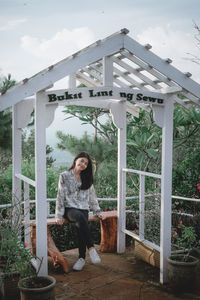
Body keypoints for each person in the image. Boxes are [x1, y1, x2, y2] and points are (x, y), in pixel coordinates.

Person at [56, 151, 102, 271]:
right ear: (76, 160)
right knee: (80, 218)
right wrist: (59, 215)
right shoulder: (64, 175)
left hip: (83, 208)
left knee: (81, 225)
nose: (83, 164)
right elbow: (60, 196)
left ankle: (81, 258)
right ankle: (91, 249)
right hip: (69, 209)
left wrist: (97, 211)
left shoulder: (86, 178)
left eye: (86, 163)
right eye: (82, 161)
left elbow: (92, 196)